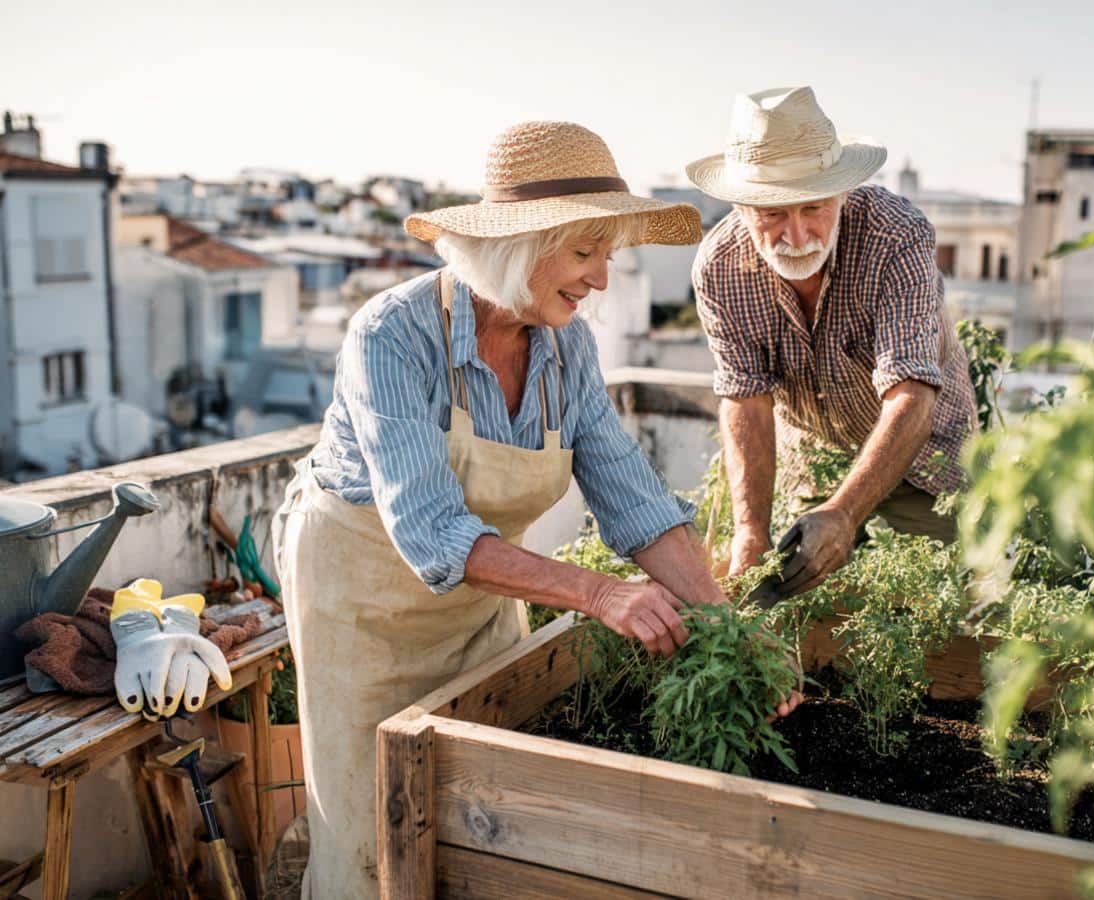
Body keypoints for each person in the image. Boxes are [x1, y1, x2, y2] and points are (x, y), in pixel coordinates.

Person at [269, 121, 797, 900]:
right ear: (518, 246)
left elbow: (637, 503)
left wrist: (730, 630)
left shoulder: (567, 349)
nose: (602, 280)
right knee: (369, 829)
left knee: (479, 812)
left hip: (483, 601)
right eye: (585, 253)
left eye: (608, 255)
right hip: (363, 604)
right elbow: (432, 533)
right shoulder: (390, 334)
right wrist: (598, 593)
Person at [686, 87, 977, 596]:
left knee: (946, 610)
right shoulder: (718, 266)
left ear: (842, 192)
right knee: (797, 606)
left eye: (814, 208)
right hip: (815, 456)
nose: (797, 236)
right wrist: (750, 530)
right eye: (772, 215)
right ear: (741, 205)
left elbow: (911, 392)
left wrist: (845, 512)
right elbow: (745, 397)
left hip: (928, 454)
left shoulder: (896, 236)